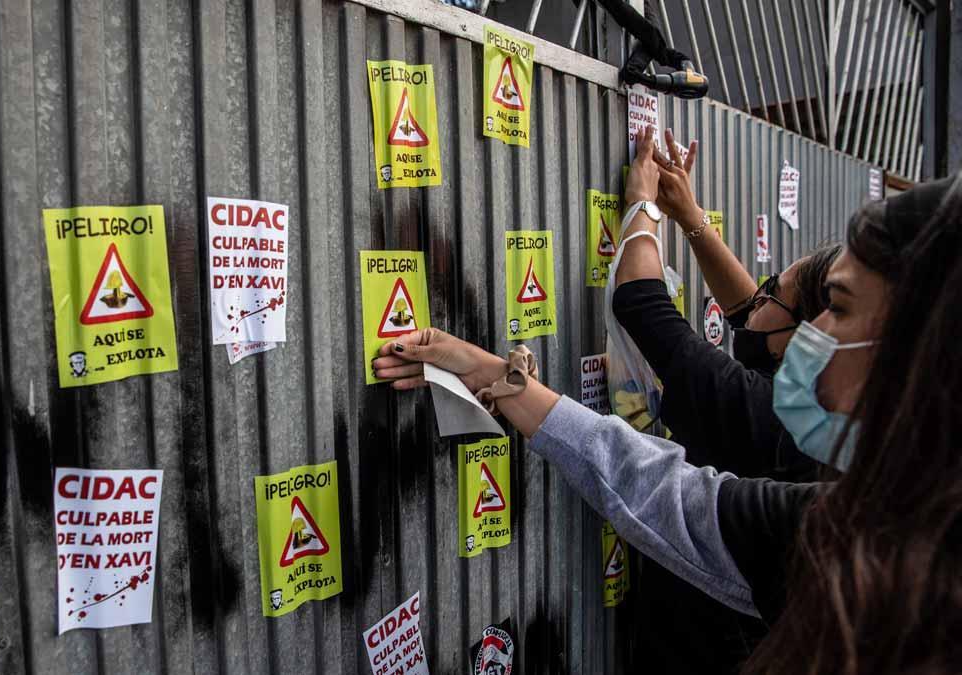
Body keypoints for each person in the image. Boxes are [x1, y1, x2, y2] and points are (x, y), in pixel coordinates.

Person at [372, 159, 962, 672]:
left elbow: (649, 321)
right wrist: (493, 377)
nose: (818, 331)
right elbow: (748, 328)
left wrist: (645, 210)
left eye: (837, 306)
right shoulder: (858, 520)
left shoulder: (800, 462)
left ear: (922, 349)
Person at [612, 129, 840, 672]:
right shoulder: (821, 407)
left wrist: (642, 208)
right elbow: (749, 313)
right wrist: (689, 215)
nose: (754, 294)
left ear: (805, 336)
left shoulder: (766, 416)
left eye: (773, 290)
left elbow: (640, 301)